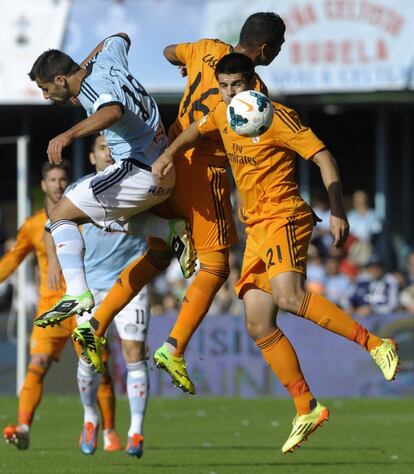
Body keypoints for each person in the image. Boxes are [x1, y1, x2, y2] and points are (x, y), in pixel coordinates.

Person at [152, 52, 400, 453]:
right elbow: (195, 131)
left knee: (289, 296)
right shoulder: (222, 111)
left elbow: (323, 157)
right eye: (225, 86)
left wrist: (337, 209)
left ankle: (375, 343)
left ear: (253, 82)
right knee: (257, 322)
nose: (231, 93)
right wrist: (167, 154)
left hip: (284, 216)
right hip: (256, 228)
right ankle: (306, 406)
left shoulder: (278, 117)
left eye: (238, 85)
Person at [71, 13, 286, 393]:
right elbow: (245, 150)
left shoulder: (205, 50)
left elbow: (170, 52)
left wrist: (186, 68)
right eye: (279, 48)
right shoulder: (255, 95)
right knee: (217, 266)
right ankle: (174, 347)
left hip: (164, 166)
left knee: (156, 256)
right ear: (266, 49)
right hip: (204, 176)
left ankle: (95, 324)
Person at [28, 33, 194, 330]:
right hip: (162, 168)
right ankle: (168, 229)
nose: (45, 96)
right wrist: (85, 62)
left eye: (45, 88)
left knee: (60, 215)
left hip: (141, 172)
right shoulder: (106, 59)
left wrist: (69, 134)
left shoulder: (95, 89)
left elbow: (112, 110)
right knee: (93, 216)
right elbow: (120, 37)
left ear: (60, 80)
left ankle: (77, 291)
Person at [1, 161, 121, 452]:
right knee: (37, 364)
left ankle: (109, 433)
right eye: (52, 179)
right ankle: (24, 426)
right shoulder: (32, 226)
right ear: (43, 185)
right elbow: (12, 260)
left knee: (99, 369)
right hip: (51, 308)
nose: (57, 184)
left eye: (62, 179)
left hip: (86, 306)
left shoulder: (85, 216)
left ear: (68, 183)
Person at [46, 135, 150, 456]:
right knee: (90, 362)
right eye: (103, 148)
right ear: (92, 157)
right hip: (90, 289)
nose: (109, 152)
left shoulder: (137, 187)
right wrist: (54, 262)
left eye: (113, 147)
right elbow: (54, 225)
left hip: (131, 284)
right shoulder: (81, 190)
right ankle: (90, 417)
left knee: (134, 354)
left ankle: (135, 432)